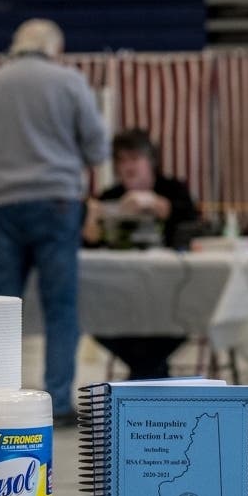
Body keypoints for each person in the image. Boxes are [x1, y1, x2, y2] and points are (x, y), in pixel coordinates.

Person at [0, 18, 108, 424]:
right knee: (60, 309)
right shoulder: (70, 82)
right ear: (54, 49)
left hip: (1, 206)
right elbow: (97, 149)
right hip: (57, 204)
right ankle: (57, 401)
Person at [83, 129, 199, 379]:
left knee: (188, 312)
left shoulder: (173, 189)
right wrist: (92, 222)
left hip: (169, 293)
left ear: (151, 161)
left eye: (134, 159)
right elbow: (88, 246)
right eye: (121, 161)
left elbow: (194, 225)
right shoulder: (110, 196)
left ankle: (142, 374)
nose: (127, 166)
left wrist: (158, 205)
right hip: (120, 295)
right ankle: (149, 374)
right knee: (89, 312)